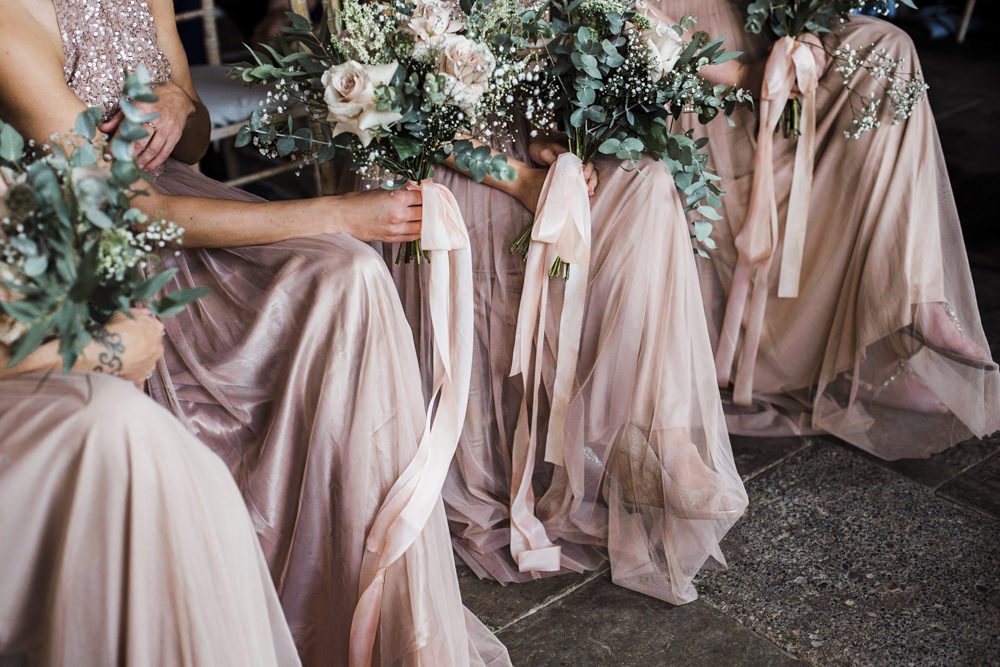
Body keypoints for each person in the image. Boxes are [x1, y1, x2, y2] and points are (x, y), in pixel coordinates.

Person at [0, 1, 509, 664]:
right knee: (345, 255)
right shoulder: (13, 22)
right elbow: (125, 207)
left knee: (348, 275)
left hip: (186, 196)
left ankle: (369, 607)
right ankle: (277, 606)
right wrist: (335, 213)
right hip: (104, 241)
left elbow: (192, 142)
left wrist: (183, 104)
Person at [374, 117, 749, 601]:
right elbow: (403, 114)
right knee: (520, 217)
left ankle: (664, 437)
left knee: (650, 180)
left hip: (521, 145)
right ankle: (592, 442)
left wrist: (546, 142)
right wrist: (518, 176)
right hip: (449, 163)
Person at [648, 0, 1000, 460]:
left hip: (759, 34)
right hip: (688, 65)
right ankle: (851, 355)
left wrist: (807, 28)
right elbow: (623, 18)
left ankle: (917, 297)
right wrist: (743, 76)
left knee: (888, 46)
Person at [0, 307, 300, 666]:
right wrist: (103, 347)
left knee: (160, 447)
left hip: (46, 375)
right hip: (36, 382)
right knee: (120, 430)